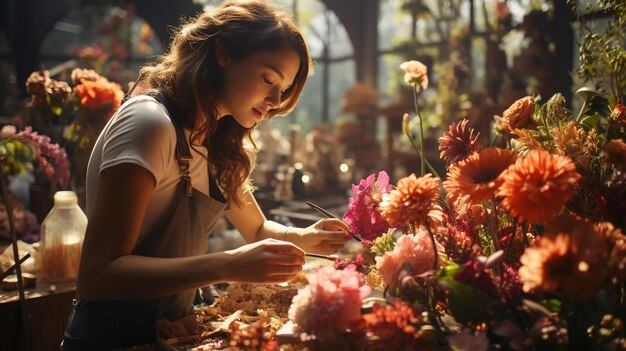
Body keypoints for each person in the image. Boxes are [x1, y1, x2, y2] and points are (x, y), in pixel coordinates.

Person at [61, 1, 349, 349]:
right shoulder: (151, 124)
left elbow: (256, 228)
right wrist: (226, 265)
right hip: (109, 338)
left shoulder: (214, 139)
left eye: (283, 89)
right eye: (267, 78)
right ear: (223, 53)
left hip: (167, 334)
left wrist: (303, 237)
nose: (275, 99)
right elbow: (98, 276)